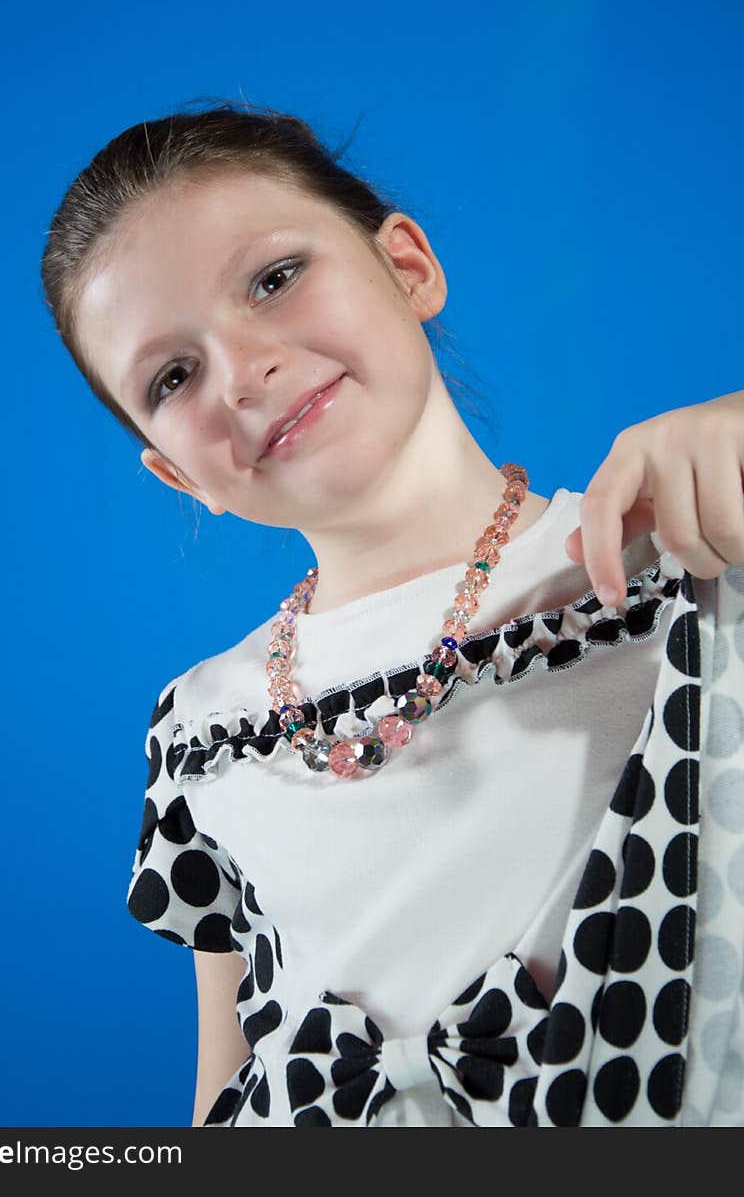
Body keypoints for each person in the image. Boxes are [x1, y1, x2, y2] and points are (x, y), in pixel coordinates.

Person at [40, 100, 744, 1127]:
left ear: (407, 265)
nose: (243, 373)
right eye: (174, 375)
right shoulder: (199, 728)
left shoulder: (688, 548)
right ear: (176, 474)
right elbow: (221, 1088)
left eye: (275, 278)